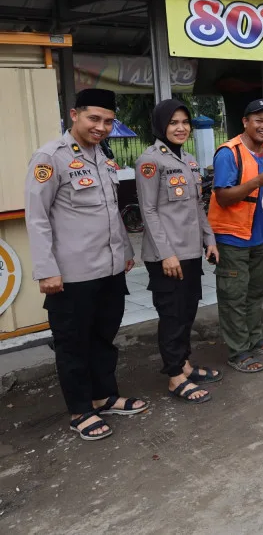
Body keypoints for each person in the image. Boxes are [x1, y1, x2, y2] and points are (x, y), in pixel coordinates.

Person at [25, 88, 148, 441]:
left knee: (104, 337)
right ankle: (80, 410)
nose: (101, 127)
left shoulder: (102, 156)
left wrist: (125, 250)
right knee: (74, 344)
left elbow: (110, 211)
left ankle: (104, 396)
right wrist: (46, 270)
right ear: (74, 114)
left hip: (109, 269)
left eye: (108, 121)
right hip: (71, 274)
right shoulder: (51, 157)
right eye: (94, 118)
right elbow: (37, 217)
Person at [136, 99, 221, 403]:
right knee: (172, 315)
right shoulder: (150, 161)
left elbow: (197, 205)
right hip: (167, 256)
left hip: (190, 252)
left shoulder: (188, 159)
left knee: (187, 311)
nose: (181, 128)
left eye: (185, 122)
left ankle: (184, 364)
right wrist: (166, 254)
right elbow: (148, 210)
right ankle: (174, 376)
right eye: (173, 123)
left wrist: (209, 239)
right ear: (161, 126)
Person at [208, 99, 263, 373]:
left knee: (255, 292)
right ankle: (238, 351)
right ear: (245, 122)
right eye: (259, 120)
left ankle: (254, 339)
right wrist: (255, 182)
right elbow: (223, 197)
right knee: (234, 297)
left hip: (260, 235)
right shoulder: (228, 153)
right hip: (233, 238)